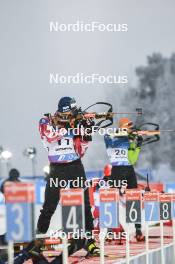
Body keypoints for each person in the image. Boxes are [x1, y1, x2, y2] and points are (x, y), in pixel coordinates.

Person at [37, 97, 99, 255]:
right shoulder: (47, 120)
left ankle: (90, 241)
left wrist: (85, 133)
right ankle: (38, 239)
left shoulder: (75, 123)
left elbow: (81, 151)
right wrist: (70, 128)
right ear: (65, 110)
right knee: (49, 206)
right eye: (71, 111)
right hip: (56, 169)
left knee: (85, 205)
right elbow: (49, 136)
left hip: (74, 166)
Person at [104, 117, 144, 242]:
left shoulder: (129, 139)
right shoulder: (114, 139)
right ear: (122, 127)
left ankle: (138, 230)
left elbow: (132, 160)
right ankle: (110, 231)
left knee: (134, 199)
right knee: (111, 198)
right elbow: (105, 136)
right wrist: (128, 138)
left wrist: (137, 145)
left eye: (130, 127)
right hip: (117, 170)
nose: (130, 128)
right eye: (128, 126)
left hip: (127, 170)